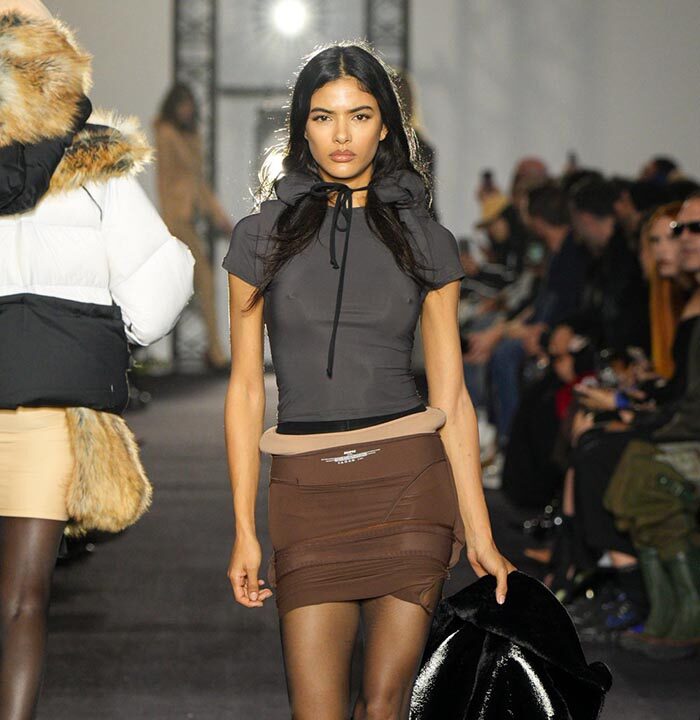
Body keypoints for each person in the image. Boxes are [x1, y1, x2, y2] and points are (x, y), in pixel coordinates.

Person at [222, 43, 514, 719]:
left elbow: (451, 397)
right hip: (306, 492)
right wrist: (243, 527)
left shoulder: (425, 239)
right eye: (323, 117)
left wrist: (479, 531)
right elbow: (244, 391)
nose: (342, 134)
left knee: (385, 707)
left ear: (386, 126)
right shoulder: (260, 238)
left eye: (359, 115)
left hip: (409, 485)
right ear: (301, 128)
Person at [0, 4, 194, 717]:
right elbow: (159, 279)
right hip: (49, 408)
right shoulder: (94, 164)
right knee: (23, 599)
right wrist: (119, 335)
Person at [155, 83, 233, 371]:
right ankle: (214, 352)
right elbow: (167, 179)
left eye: (189, 103)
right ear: (173, 106)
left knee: (198, 282)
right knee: (201, 280)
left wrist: (219, 216)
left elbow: (198, 183)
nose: (186, 109)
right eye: (182, 104)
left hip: (187, 218)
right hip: (176, 219)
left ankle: (214, 350)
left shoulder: (188, 135)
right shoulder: (167, 133)